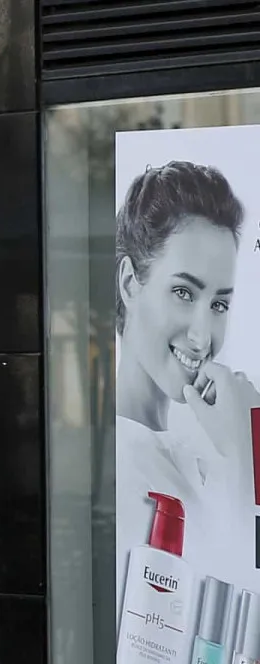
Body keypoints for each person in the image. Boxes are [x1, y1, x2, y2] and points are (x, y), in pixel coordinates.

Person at [113, 160, 260, 615]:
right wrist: (242, 460)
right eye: (183, 293)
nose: (202, 336)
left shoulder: (206, 436)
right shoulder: (118, 468)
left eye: (219, 303)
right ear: (129, 283)